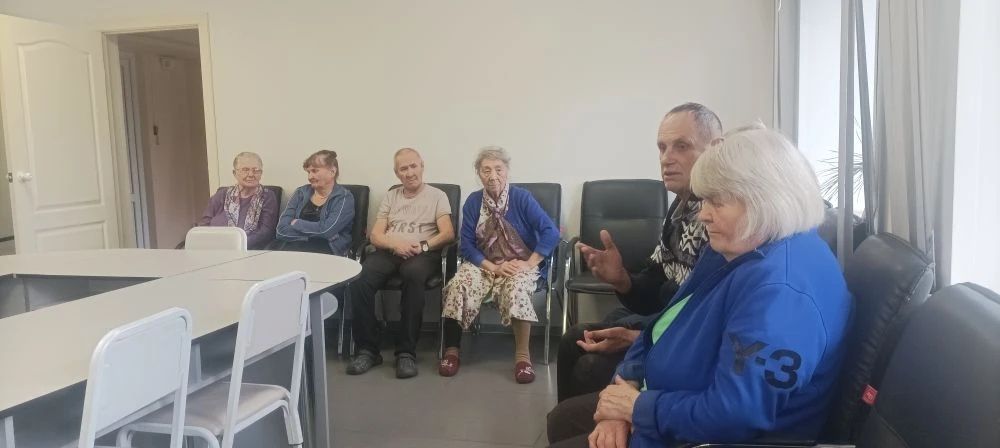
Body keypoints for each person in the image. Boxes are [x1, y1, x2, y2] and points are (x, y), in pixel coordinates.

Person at [546, 125, 853, 447]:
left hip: (698, 434)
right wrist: (625, 388)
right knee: (563, 419)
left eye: (717, 202)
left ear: (765, 200)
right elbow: (666, 324)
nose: (703, 215)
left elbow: (735, 416)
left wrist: (636, 408)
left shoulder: (781, 293)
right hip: (668, 398)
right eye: (704, 200)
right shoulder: (736, 245)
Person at [557, 103, 721, 402]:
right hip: (665, 322)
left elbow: (705, 317)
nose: (666, 158)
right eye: (662, 148)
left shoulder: (719, 219)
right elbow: (657, 284)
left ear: (715, 149)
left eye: (681, 146)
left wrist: (636, 337)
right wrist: (622, 279)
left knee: (589, 365)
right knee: (574, 341)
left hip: (685, 341)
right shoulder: (679, 208)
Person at [439, 146, 559, 383]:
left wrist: (530, 263)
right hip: (484, 264)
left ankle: (523, 358)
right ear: (479, 174)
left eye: (498, 169)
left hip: (518, 263)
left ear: (507, 171)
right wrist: (492, 267)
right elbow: (467, 245)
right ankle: (452, 351)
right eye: (486, 170)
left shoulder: (521, 198)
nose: (493, 176)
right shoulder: (473, 202)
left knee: (517, 288)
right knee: (458, 284)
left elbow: (551, 232)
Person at [348, 147, 456, 379]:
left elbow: (448, 234)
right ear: (397, 173)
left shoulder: (437, 195)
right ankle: (368, 350)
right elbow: (376, 235)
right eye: (403, 169)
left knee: (413, 274)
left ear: (422, 166)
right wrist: (394, 245)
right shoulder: (392, 196)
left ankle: (406, 352)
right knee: (360, 278)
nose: (409, 172)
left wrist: (423, 246)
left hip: (423, 252)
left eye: (413, 166)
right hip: (391, 250)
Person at [274, 150, 354, 255]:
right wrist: (313, 235)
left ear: (332, 172)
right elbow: (280, 231)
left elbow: (327, 231)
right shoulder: (300, 192)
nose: (310, 177)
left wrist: (297, 223)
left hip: (328, 251)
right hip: (294, 247)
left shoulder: (343, 197)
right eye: (308, 172)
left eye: (315, 171)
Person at [197, 152, 279, 250]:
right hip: (212, 248)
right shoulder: (221, 195)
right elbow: (203, 225)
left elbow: (265, 232)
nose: (251, 174)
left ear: (261, 173)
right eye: (245, 170)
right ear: (235, 173)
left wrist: (234, 245)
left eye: (256, 170)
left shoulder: (267, 197)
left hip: (247, 251)